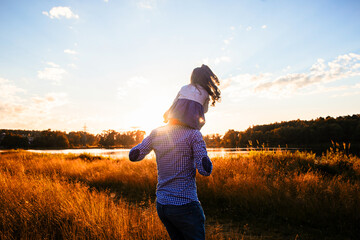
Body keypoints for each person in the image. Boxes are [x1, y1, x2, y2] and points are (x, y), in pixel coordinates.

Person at [129, 120, 213, 240]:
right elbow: (205, 171)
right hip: (185, 205)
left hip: (163, 205)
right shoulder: (193, 134)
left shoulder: (156, 133)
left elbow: (133, 155)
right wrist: (202, 155)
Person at [164, 64, 221, 130]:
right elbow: (205, 110)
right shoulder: (205, 93)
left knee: (172, 113)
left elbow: (174, 103)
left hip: (175, 118)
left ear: (192, 77)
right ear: (205, 79)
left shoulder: (184, 88)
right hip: (192, 123)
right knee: (201, 121)